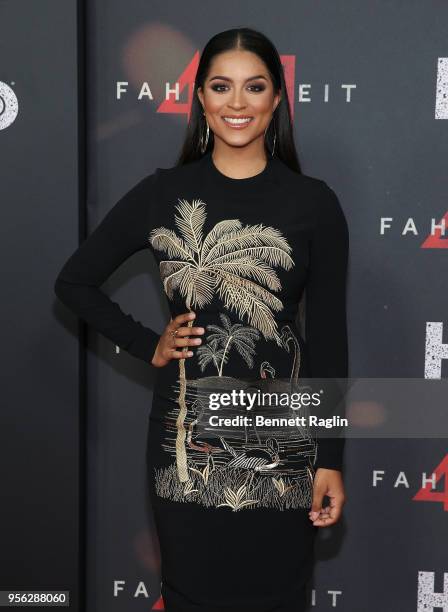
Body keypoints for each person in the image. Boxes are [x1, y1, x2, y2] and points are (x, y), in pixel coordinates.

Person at [54, 27, 349, 612]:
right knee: (192, 596)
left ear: (276, 99)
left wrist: (331, 458)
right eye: (221, 86)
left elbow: (330, 343)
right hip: (185, 441)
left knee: (279, 598)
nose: (237, 103)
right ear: (200, 98)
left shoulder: (314, 203)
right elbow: (74, 282)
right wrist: (149, 344)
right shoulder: (163, 194)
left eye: (254, 87)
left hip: (283, 440)